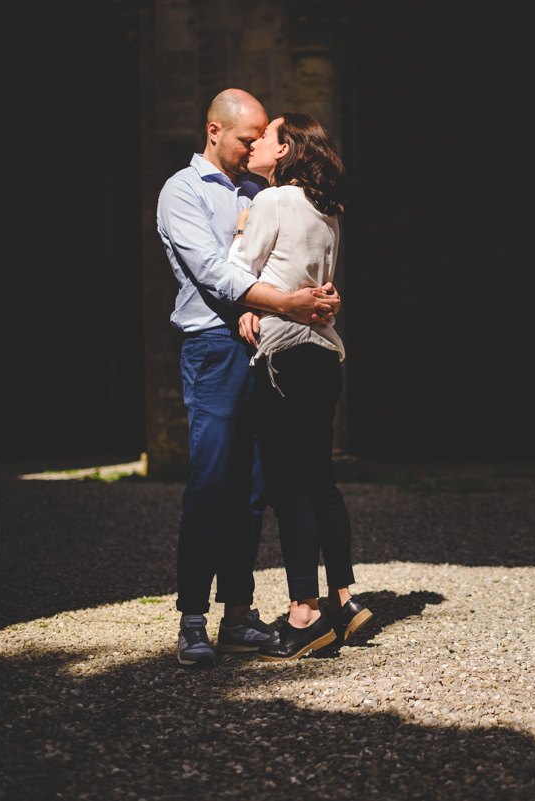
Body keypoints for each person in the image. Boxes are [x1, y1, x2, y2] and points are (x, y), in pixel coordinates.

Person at [157, 89, 341, 666]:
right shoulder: (180, 191)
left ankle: (238, 614)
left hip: (264, 350)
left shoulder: (260, 191)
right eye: (246, 139)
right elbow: (214, 271)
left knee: (255, 489)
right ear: (214, 131)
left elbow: (282, 257)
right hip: (212, 347)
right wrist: (288, 301)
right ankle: (192, 618)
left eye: (262, 138)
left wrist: (317, 299)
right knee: (211, 482)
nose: (254, 149)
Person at [229, 111, 371, 661]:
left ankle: (303, 612)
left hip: (284, 355)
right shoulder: (327, 209)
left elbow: (238, 273)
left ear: (286, 150)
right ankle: (345, 599)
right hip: (325, 356)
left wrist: (242, 231)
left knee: (289, 487)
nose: (259, 143)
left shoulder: (272, 201)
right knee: (321, 480)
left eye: (267, 137)